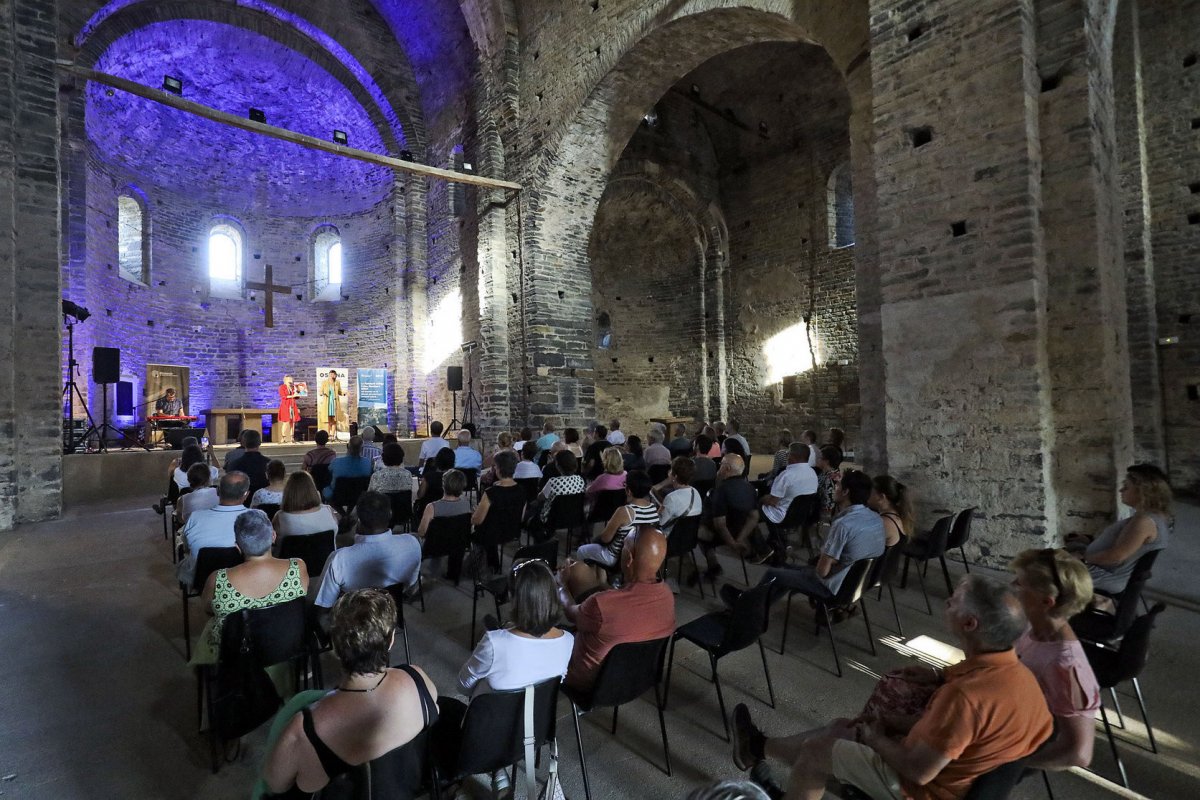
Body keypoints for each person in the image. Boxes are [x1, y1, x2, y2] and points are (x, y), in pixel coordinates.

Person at [732, 575, 1053, 800]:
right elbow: (969, 732)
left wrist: (878, 738)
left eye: (954, 602)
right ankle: (756, 748)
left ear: (970, 624)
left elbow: (919, 771)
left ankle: (777, 767)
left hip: (926, 789)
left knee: (817, 752)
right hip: (959, 774)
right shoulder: (1019, 677)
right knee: (839, 728)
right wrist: (937, 680)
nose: (947, 603)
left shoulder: (965, 697)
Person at [261, 589, 439, 796]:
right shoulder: (418, 680)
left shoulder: (302, 730)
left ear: (335, 647)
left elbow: (274, 785)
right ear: (391, 641)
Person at [733, 470, 884, 606]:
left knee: (772, 573)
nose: (834, 490)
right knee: (785, 572)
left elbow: (822, 572)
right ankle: (754, 606)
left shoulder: (843, 525)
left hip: (833, 587)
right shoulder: (876, 518)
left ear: (846, 492)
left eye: (837, 486)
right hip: (856, 586)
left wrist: (825, 560)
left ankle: (746, 607)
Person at [1009, 548, 1100, 769]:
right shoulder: (1031, 627)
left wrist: (1010, 767)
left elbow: (1079, 753)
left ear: (1046, 602)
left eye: (1020, 584)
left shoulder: (1066, 665)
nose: (1012, 587)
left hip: (1014, 744)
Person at [558, 527, 675, 691]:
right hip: (635, 678)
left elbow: (570, 613)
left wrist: (562, 585)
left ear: (629, 558)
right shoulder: (667, 596)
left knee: (550, 634)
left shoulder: (601, 605)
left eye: (623, 547)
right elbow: (630, 610)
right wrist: (603, 586)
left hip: (590, 683)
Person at [192, 509, 308, 665]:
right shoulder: (298, 567)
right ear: (273, 536)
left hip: (235, 654)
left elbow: (208, 609)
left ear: (238, 547)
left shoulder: (217, 580)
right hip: (285, 646)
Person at [453, 558, 573, 695]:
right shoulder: (568, 640)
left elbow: (463, 686)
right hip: (538, 715)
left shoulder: (494, 643)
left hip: (496, 714)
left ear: (512, 597)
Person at [1069, 463, 1172, 595]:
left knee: (1045, 568)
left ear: (1143, 492)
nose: (1121, 491)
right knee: (1067, 549)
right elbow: (1125, 544)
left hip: (1107, 576)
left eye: (1126, 487)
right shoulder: (1151, 516)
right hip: (1105, 569)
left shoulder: (1145, 522)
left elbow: (1117, 556)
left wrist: (1083, 559)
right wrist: (1088, 540)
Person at [314, 493, 422, 610]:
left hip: (353, 617)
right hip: (391, 611)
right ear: (390, 514)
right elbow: (411, 586)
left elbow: (324, 603)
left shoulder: (339, 559)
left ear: (358, 520)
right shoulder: (413, 543)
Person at [176, 471, 251, 587]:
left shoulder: (195, 517)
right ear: (246, 495)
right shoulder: (257, 518)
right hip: (243, 579)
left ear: (217, 491)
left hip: (202, 579)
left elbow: (186, 547)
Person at [576, 470, 658, 572]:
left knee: (581, 550)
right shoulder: (653, 509)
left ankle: (588, 580)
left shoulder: (625, 511)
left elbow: (605, 538)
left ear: (628, 490)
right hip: (639, 556)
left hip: (616, 557)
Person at [698, 454, 761, 582]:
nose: (719, 467)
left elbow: (720, 524)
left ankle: (713, 565)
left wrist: (732, 543)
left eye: (721, 464)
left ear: (726, 469)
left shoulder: (721, 490)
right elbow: (754, 517)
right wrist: (740, 538)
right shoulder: (750, 488)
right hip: (739, 531)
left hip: (722, 534)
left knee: (698, 530)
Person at [759, 442, 819, 562]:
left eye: (788, 453)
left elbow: (773, 501)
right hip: (802, 515)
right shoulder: (813, 473)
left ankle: (765, 549)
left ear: (792, 456)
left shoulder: (786, 475)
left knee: (754, 510)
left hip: (783, 516)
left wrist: (761, 498)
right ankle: (775, 542)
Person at [471, 451, 526, 573]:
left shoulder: (491, 493)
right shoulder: (522, 490)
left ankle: (483, 565)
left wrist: (475, 512)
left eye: (495, 466)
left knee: (477, 529)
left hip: (491, 534)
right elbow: (521, 516)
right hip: (512, 531)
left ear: (499, 469)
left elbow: (477, 520)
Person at [274, 471, 340, 546]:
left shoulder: (280, 518)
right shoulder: (329, 511)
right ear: (313, 490)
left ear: (287, 492)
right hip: (325, 557)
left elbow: (274, 542)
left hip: (291, 557)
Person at [536, 450, 587, 528]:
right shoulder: (580, 479)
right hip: (574, 517)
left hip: (553, 519)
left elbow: (540, 497)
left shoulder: (553, 482)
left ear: (558, 466)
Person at [654, 456, 703, 536]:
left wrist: (658, 510)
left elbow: (659, 523)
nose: (669, 472)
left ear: (675, 476)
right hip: (689, 538)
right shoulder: (696, 491)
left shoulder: (671, 498)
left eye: (671, 470)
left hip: (671, 539)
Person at [417, 468, 471, 538]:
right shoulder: (466, 504)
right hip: (458, 546)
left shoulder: (431, 507)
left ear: (443, 485)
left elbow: (421, 532)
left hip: (435, 546)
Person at [323, 435, 373, 503]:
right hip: (360, 497)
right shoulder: (368, 463)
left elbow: (327, 476)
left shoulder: (336, 462)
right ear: (362, 449)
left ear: (347, 446)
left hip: (337, 496)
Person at [870, 475, 911, 548]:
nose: (868, 495)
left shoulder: (883, 522)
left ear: (881, 497)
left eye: (871, 492)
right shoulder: (897, 513)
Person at [415, 447, 456, 517]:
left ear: (437, 461)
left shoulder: (429, 476)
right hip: (448, 511)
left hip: (428, 512)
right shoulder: (455, 477)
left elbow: (420, 495)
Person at [236, 429, 272, 501]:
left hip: (242, 501)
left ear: (243, 443)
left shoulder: (235, 464)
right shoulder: (269, 463)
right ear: (260, 443)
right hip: (264, 501)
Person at [815, 445, 844, 518]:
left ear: (826, 461)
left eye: (819, 458)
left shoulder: (831, 478)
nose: (816, 460)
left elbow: (829, 506)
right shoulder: (826, 473)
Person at [318, 370, 347, 438]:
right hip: (327, 403)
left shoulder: (337, 382)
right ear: (329, 375)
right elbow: (320, 391)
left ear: (335, 375)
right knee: (328, 420)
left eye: (334, 374)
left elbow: (340, 392)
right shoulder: (324, 382)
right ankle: (327, 435)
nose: (332, 376)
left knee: (334, 420)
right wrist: (322, 393)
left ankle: (332, 436)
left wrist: (344, 393)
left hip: (334, 403)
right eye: (331, 374)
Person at [277, 375, 300, 444]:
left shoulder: (293, 387)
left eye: (291, 379)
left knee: (292, 421)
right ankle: (283, 438)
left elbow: (296, 397)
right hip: (286, 405)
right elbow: (283, 396)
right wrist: (293, 395)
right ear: (286, 380)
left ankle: (292, 437)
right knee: (285, 421)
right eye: (289, 379)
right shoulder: (282, 387)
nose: (291, 381)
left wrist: (298, 392)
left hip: (292, 405)